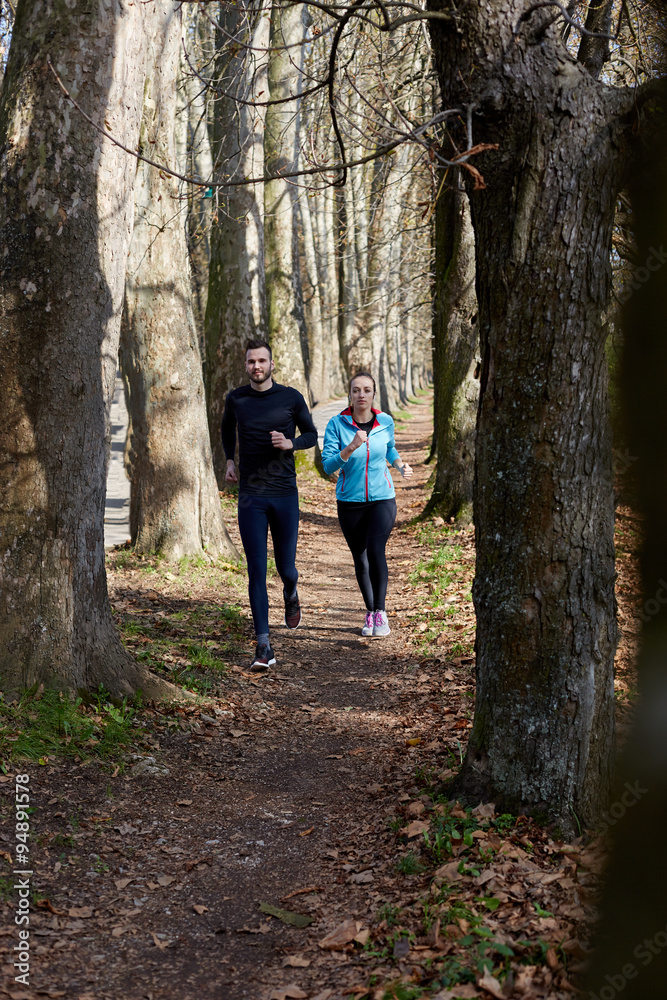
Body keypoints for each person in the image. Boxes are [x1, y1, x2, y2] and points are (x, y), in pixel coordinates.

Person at [221, 339, 318, 671]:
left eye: (262, 360)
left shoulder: (290, 398)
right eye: (251, 361)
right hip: (250, 496)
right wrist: (229, 461)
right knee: (256, 571)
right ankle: (264, 645)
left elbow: (311, 434)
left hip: (284, 495)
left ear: (272, 364)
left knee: (284, 567)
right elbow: (225, 430)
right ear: (246, 365)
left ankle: (291, 589)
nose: (256, 366)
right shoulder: (236, 399)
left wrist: (290, 443)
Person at [322, 372, 412, 637]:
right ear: (350, 394)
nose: (362, 394)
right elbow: (328, 464)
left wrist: (399, 465)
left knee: (375, 549)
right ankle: (370, 611)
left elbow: (391, 449)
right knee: (360, 558)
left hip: (383, 498)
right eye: (356, 390)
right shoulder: (336, 424)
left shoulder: (385, 421)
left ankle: (381, 613)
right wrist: (350, 446)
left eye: (367, 390)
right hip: (349, 502)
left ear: (373, 394)